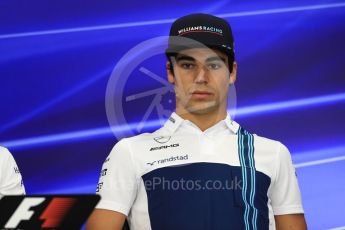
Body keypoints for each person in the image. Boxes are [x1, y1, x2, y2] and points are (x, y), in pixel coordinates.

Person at [87, 13, 307, 230]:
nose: (201, 77)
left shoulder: (274, 153)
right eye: (187, 65)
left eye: (214, 64)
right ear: (170, 72)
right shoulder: (129, 152)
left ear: (232, 72)